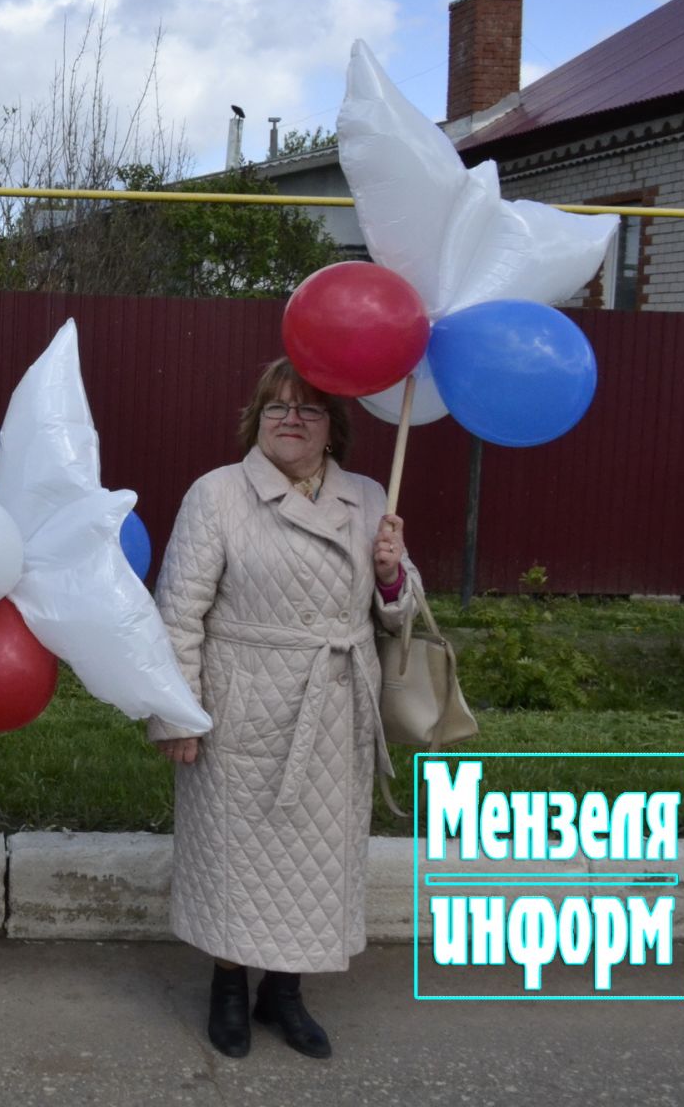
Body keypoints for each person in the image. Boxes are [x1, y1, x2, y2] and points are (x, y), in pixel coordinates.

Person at [147, 356, 418, 1061]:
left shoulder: (365, 496)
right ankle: (229, 989)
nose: (291, 419)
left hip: (332, 714)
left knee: (316, 864)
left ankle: (286, 993)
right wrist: (177, 713)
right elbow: (178, 613)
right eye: (277, 407)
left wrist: (391, 575)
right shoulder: (217, 495)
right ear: (256, 421)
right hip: (243, 711)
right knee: (238, 860)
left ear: (332, 428)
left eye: (308, 409)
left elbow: (402, 613)